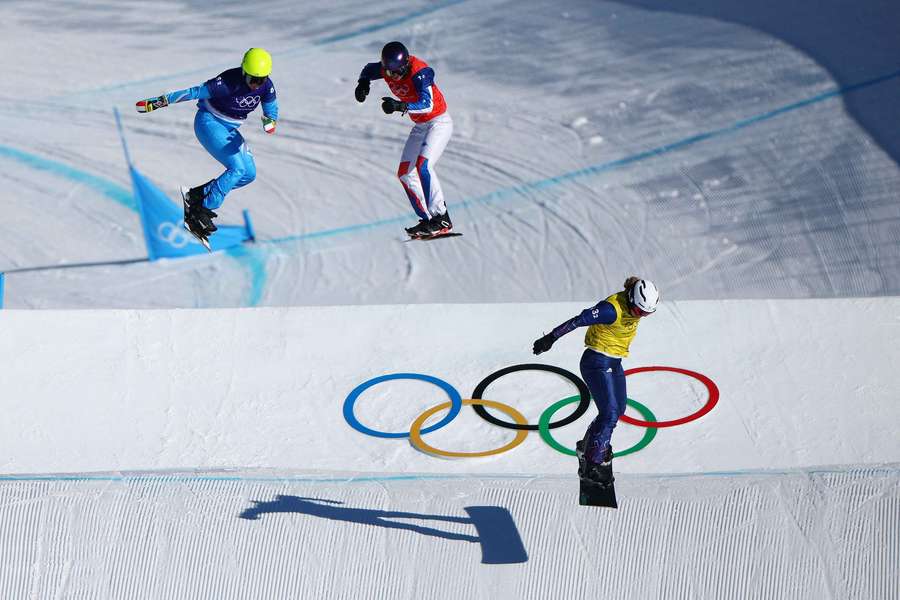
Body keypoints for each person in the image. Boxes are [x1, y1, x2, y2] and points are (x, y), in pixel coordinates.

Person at [135, 48, 278, 238]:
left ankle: (197, 195)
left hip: (229, 129)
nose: (256, 84)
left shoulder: (266, 86)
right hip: (208, 122)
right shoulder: (227, 82)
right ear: (244, 71)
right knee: (237, 168)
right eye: (252, 79)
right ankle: (199, 210)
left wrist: (270, 122)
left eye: (261, 79)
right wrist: (158, 102)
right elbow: (193, 92)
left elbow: (271, 110)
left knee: (248, 174)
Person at [532, 277, 660, 486]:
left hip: (614, 362)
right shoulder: (610, 310)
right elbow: (578, 320)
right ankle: (592, 465)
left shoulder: (636, 306)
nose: (641, 316)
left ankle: (589, 446)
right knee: (609, 414)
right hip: (596, 362)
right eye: (639, 311)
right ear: (630, 298)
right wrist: (550, 338)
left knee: (618, 409)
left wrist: (640, 311)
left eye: (646, 313)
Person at [355, 41, 454, 239]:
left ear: (405, 65)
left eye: (396, 73)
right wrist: (363, 83)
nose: (393, 77)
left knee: (423, 166)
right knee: (405, 173)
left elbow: (427, 104)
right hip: (420, 125)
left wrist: (400, 106)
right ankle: (427, 220)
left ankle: (441, 218)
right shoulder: (388, 69)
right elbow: (369, 69)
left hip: (438, 122)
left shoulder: (419, 72)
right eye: (388, 73)